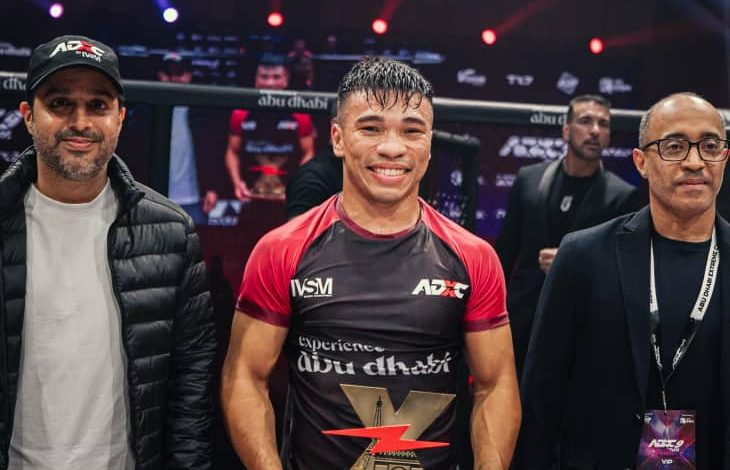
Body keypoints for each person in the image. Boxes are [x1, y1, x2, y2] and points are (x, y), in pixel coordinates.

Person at [222, 56, 520, 470]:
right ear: (338, 139)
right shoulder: (282, 250)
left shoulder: (473, 257)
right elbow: (245, 377)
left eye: (412, 131)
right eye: (371, 128)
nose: (392, 148)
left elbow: (496, 383)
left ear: (429, 144)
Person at [0, 35, 215, 469]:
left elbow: (191, 383)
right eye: (60, 103)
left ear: (119, 118)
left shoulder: (172, 233)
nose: (79, 121)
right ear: (28, 115)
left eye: (97, 105)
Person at [515, 92, 730, 469]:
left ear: (724, 158)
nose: (695, 161)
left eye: (710, 146)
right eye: (674, 146)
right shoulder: (583, 255)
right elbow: (541, 397)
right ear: (641, 162)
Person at [494, 94, 639, 376]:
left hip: (582, 322)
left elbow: (621, 272)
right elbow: (504, 253)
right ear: (566, 130)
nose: (595, 130)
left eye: (603, 124)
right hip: (522, 317)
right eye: (585, 121)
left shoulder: (621, 196)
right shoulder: (528, 179)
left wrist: (571, 263)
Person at [223, 54, 314, 201]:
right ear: (256, 80)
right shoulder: (241, 113)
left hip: (288, 196)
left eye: (276, 77)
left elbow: (308, 152)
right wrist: (237, 182)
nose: (270, 83)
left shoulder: (300, 114)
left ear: (285, 80)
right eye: (264, 77)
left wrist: (297, 185)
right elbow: (232, 151)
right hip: (250, 194)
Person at [158, 51, 218, 225]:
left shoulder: (202, 113)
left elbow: (211, 151)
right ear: (160, 75)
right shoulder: (146, 113)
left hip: (193, 198)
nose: (174, 78)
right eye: (169, 73)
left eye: (180, 73)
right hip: (154, 197)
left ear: (189, 76)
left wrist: (212, 187)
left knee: (195, 242)